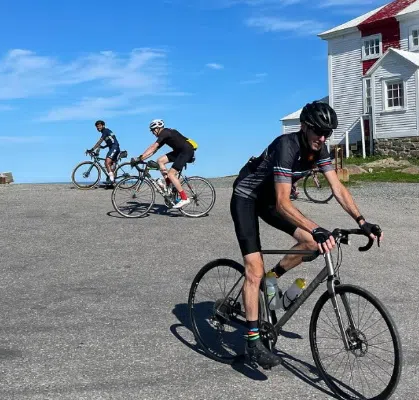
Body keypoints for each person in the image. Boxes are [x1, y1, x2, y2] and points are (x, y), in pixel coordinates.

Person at [230, 101, 383, 369]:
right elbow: (282, 203)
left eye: (328, 133)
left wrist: (362, 221)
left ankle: (273, 278)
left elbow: (337, 188)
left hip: (269, 201)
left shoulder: (320, 149)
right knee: (253, 269)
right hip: (246, 198)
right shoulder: (286, 146)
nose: (322, 138)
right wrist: (316, 227)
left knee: (312, 244)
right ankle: (252, 342)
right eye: (318, 131)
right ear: (304, 126)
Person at [130, 119, 197, 209]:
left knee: (171, 174)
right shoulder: (165, 135)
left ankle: (184, 198)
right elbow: (153, 151)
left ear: (157, 128)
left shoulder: (165, 133)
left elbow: (153, 147)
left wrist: (140, 158)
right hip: (179, 152)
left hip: (186, 152)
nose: (153, 133)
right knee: (160, 160)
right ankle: (168, 186)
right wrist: (141, 158)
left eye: (153, 130)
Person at [89, 120, 120, 185]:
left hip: (114, 147)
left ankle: (111, 180)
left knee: (107, 162)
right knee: (110, 165)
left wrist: (92, 149)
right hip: (114, 147)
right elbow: (112, 140)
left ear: (103, 125)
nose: (98, 128)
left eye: (99, 126)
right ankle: (112, 182)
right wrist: (104, 147)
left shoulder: (105, 131)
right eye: (97, 127)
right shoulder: (106, 131)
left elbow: (99, 141)